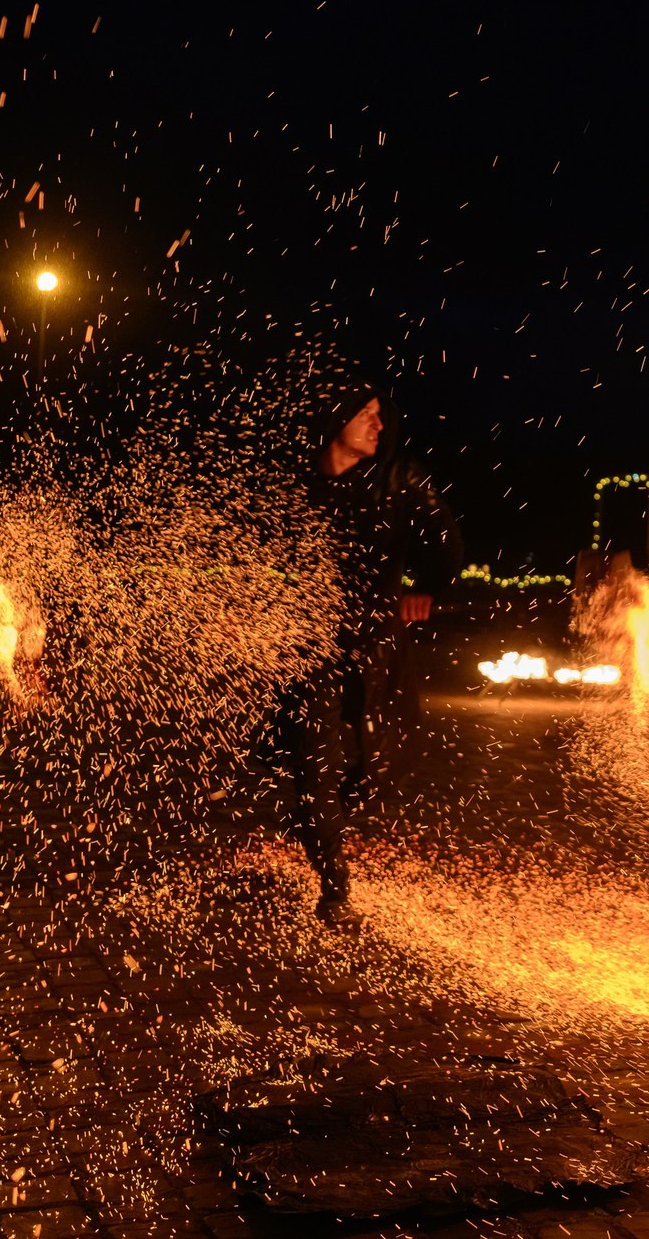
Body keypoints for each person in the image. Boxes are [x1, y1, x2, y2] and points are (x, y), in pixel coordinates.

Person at [272, 368, 460, 926]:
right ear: (336, 422)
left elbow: (446, 543)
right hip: (308, 644)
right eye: (366, 415)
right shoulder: (293, 487)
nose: (380, 424)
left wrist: (425, 588)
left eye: (381, 415)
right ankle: (335, 883)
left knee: (382, 758)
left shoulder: (400, 477)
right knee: (311, 761)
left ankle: (328, 812)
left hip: (377, 641)